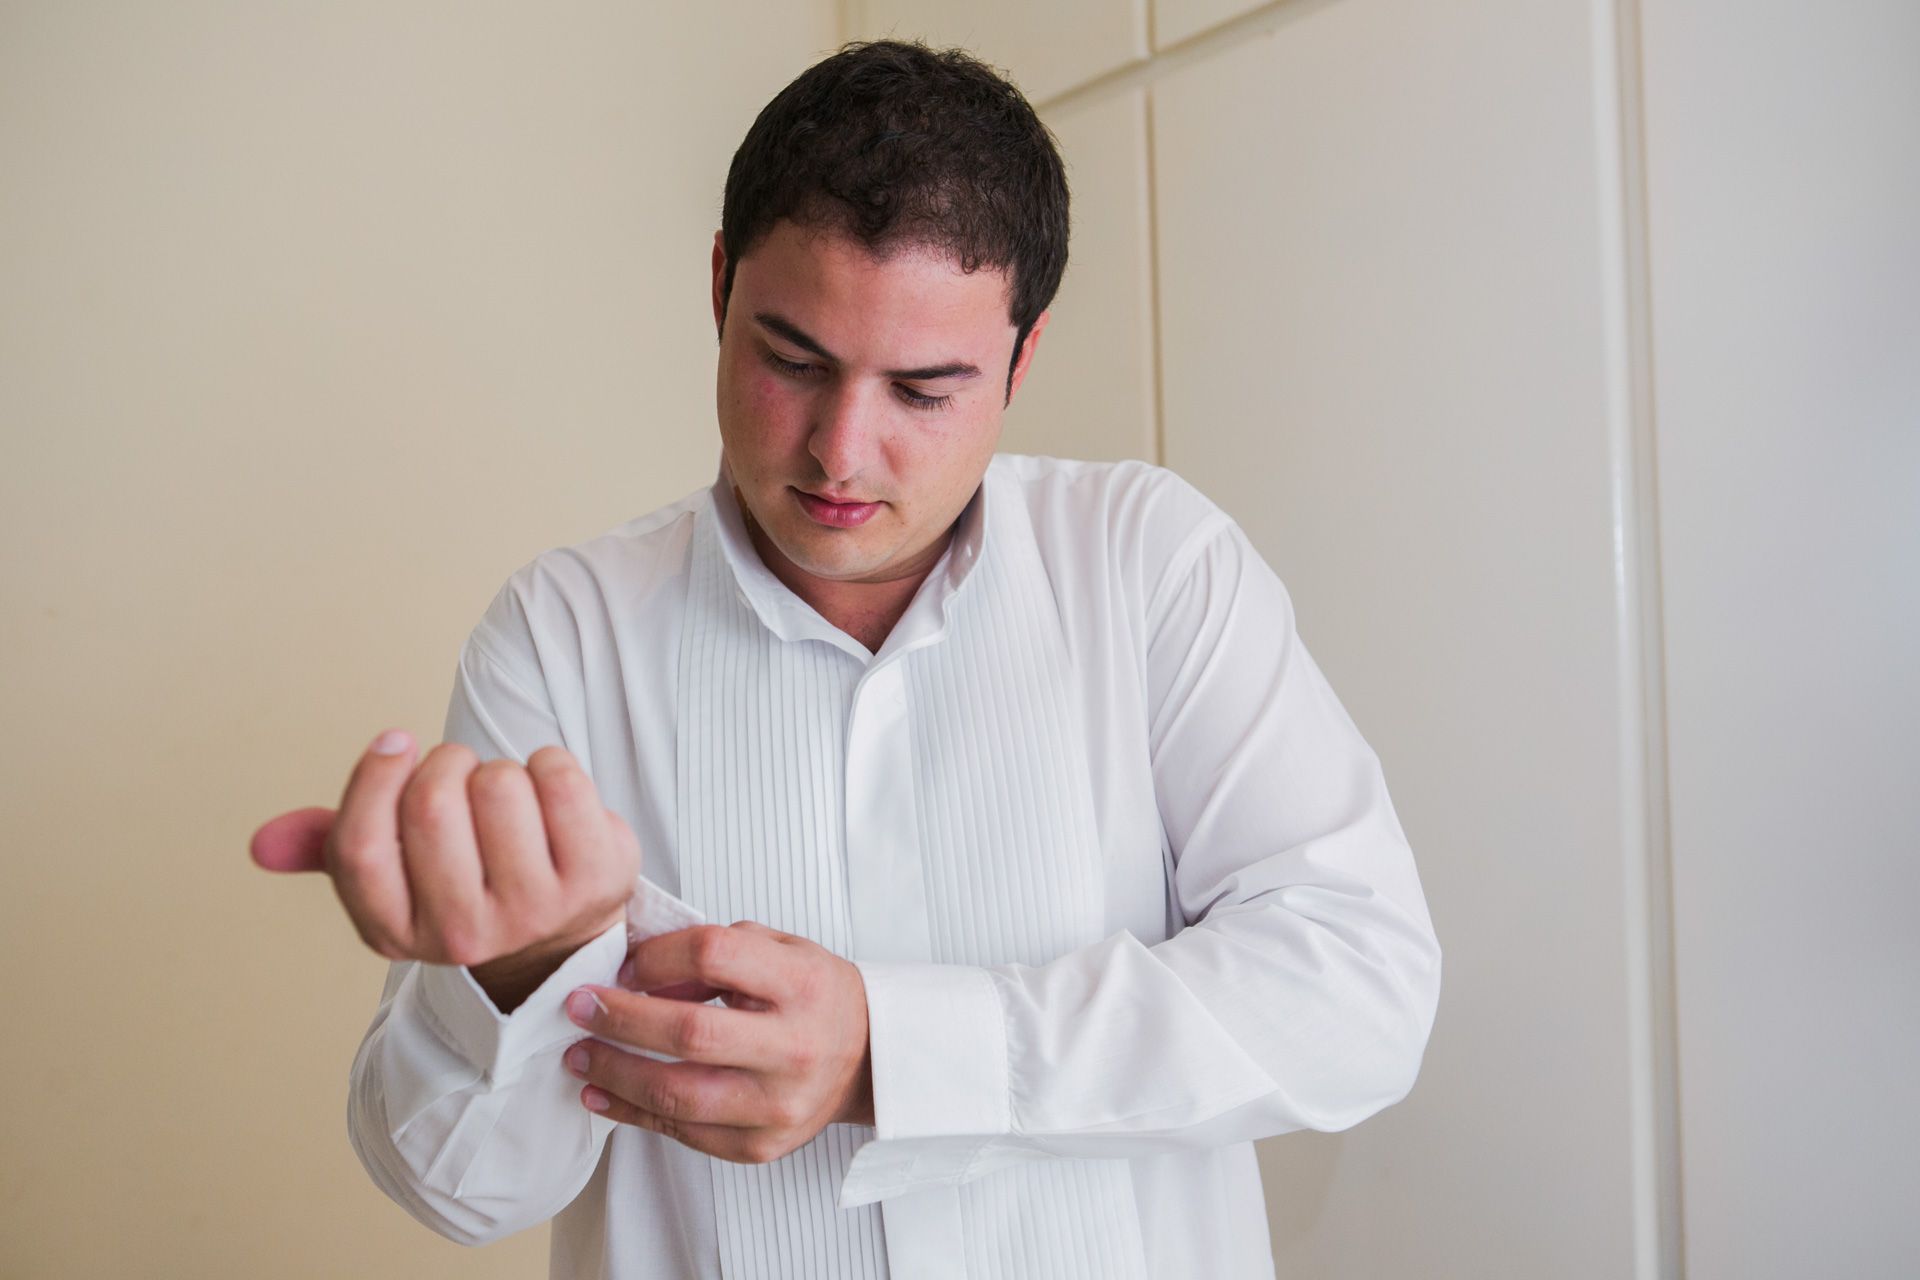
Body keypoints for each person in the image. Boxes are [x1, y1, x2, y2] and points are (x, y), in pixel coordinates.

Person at [250, 38, 1441, 1280]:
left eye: (924, 390)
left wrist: (893, 1051)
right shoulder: (563, 631)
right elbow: (458, 1190)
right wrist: (513, 967)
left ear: (1024, 359)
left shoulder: (1152, 566)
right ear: (719, 291)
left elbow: (1357, 991)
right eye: (792, 361)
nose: (840, 453)